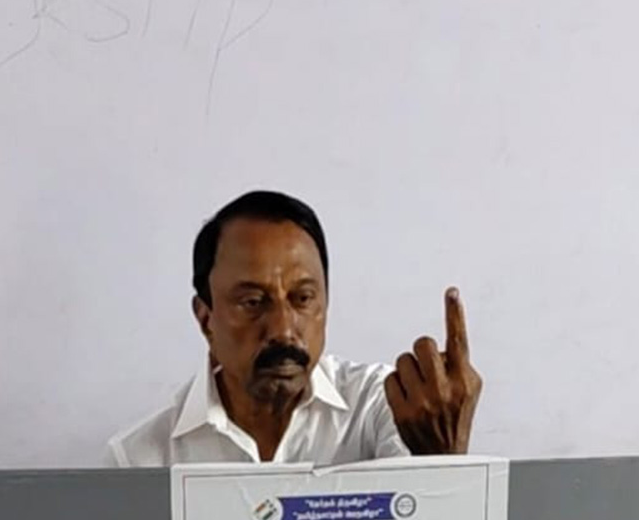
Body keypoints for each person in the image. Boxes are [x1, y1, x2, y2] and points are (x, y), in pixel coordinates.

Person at [107, 190, 483, 467]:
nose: (284, 330)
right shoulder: (140, 462)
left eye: (303, 299)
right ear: (206, 318)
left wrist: (443, 457)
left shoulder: (379, 408)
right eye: (253, 303)